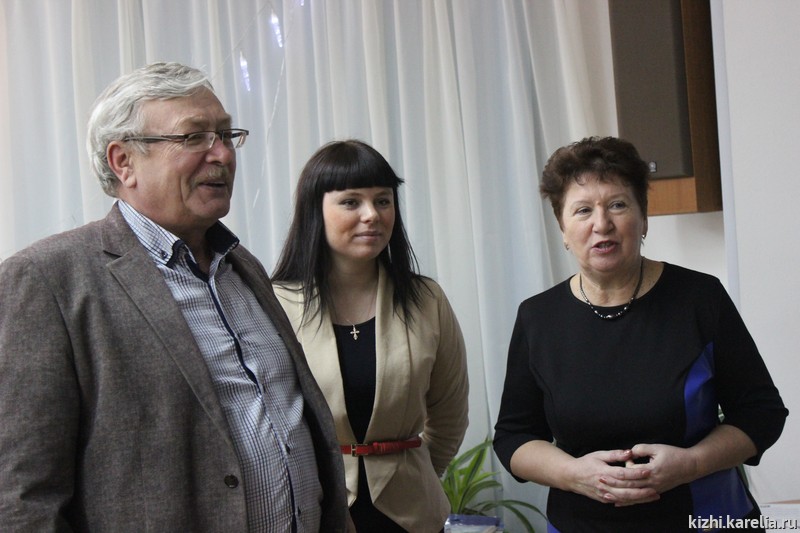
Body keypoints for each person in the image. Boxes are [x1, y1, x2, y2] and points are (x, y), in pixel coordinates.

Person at [0, 62, 349, 532]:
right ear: (124, 161)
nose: (221, 154)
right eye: (194, 137)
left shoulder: (241, 266)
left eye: (226, 135)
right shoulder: (47, 280)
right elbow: (23, 499)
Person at [493, 136, 788, 532]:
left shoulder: (700, 298)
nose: (602, 224)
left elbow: (762, 412)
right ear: (562, 228)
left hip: (705, 518)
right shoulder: (538, 317)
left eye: (617, 205)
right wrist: (573, 474)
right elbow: (514, 436)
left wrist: (692, 464)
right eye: (583, 210)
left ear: (644, 219)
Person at [271, 139, 469, 532]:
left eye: (383, 200)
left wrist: (415, 475)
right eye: (351, 202)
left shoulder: (426, 299)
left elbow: (449, 414)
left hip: (410, 512)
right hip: (316, 507)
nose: (372, 215)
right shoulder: (276, 303)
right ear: (314, 211)